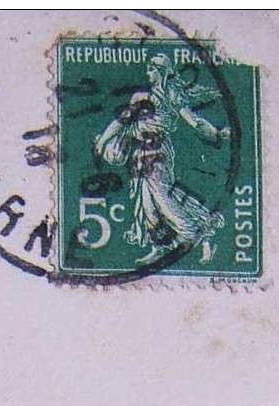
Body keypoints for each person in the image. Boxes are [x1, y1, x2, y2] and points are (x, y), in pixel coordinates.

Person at [95, 58, 230, 266]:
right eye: (148, 68)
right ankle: (160, 246)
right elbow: (122, 121)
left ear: (163, 72)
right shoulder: (140, 96)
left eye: (153, 68)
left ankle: (190, 232)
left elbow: (194, 121)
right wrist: (104, 140)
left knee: (162, 197)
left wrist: (217, 133)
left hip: (157, 152)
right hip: (138, 154)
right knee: (147, 205)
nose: (149, 72)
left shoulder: (172, 95)